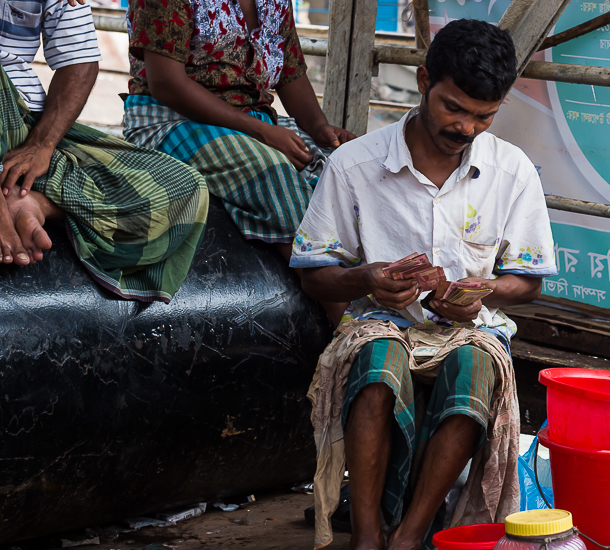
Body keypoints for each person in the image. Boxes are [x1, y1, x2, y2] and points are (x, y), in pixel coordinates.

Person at [290, 18, 557, 550]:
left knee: (476, 364)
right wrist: (366, 278)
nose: (466, 128)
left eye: (484, 117)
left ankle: (408, 543)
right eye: (454, 108)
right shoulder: (354, 165)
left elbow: (529, 282)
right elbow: (313, 272)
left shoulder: (511, 171)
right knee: (376, 357)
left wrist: (485, 290)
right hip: (379, 322)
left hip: (469, 328)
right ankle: (364, 541)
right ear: (423, 80)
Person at [122, 0, 354, 318]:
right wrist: (260, 133)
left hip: (254, 121)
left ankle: (376, 300)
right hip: (168, 119)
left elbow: (290, 71)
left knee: (346, 169)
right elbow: (166, 84)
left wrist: (320, 129)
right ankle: (348, 324)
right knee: (275, 174)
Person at [0, 0, 209, 304]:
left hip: (23, 121)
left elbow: (79, 60)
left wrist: (41, 145)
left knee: (183, 185)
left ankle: (33, 202)